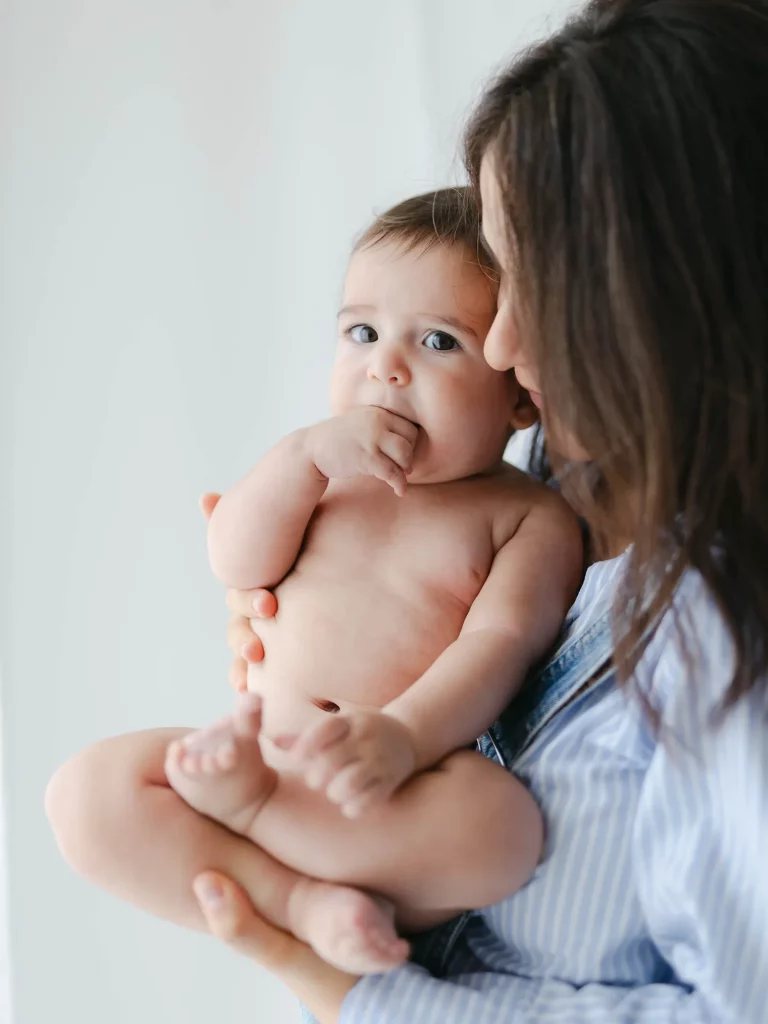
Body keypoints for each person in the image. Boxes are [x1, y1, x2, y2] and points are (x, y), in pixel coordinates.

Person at [161, 1, 768, 1022]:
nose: (497, 348)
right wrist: (335, 637)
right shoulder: (548, 473)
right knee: (92, 797)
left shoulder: (725, 626)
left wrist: (347, 987)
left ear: (665, 291)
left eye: (537, 286)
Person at [45, 191, 582, 974]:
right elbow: (236, 563)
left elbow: (499, 646)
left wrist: (402, 735)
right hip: (257, 756)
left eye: (438, 341)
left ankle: (297, 869)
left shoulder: (527, 518)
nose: (385, 366)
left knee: (503, 830)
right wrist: (301, 461)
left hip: (396, 784)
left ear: (519, 394)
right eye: (361, 332)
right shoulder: (321, 470)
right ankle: (299, 900)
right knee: (84, 795)